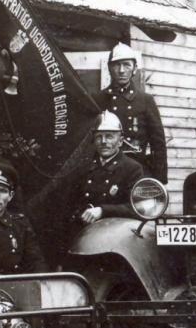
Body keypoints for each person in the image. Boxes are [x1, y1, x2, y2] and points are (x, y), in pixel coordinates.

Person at [64, 111, 145, 235]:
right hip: (85, 232)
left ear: (120, 141)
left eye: (109, 136)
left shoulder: (132, 168)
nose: (103, 141)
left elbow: (138, 208)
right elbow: (70, 204)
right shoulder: (84, 167)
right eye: (98, 137)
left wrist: (103, 210)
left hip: (117, 234)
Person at [96, 43, 168, 183]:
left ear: (134, 68)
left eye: (127, 65)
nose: (121, 70)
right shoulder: (98, 99)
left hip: (137, 172)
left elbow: (158, 144)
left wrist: (159, 181)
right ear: (109, 68)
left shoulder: (146, 100)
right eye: (116, 65)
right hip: (105, 171)